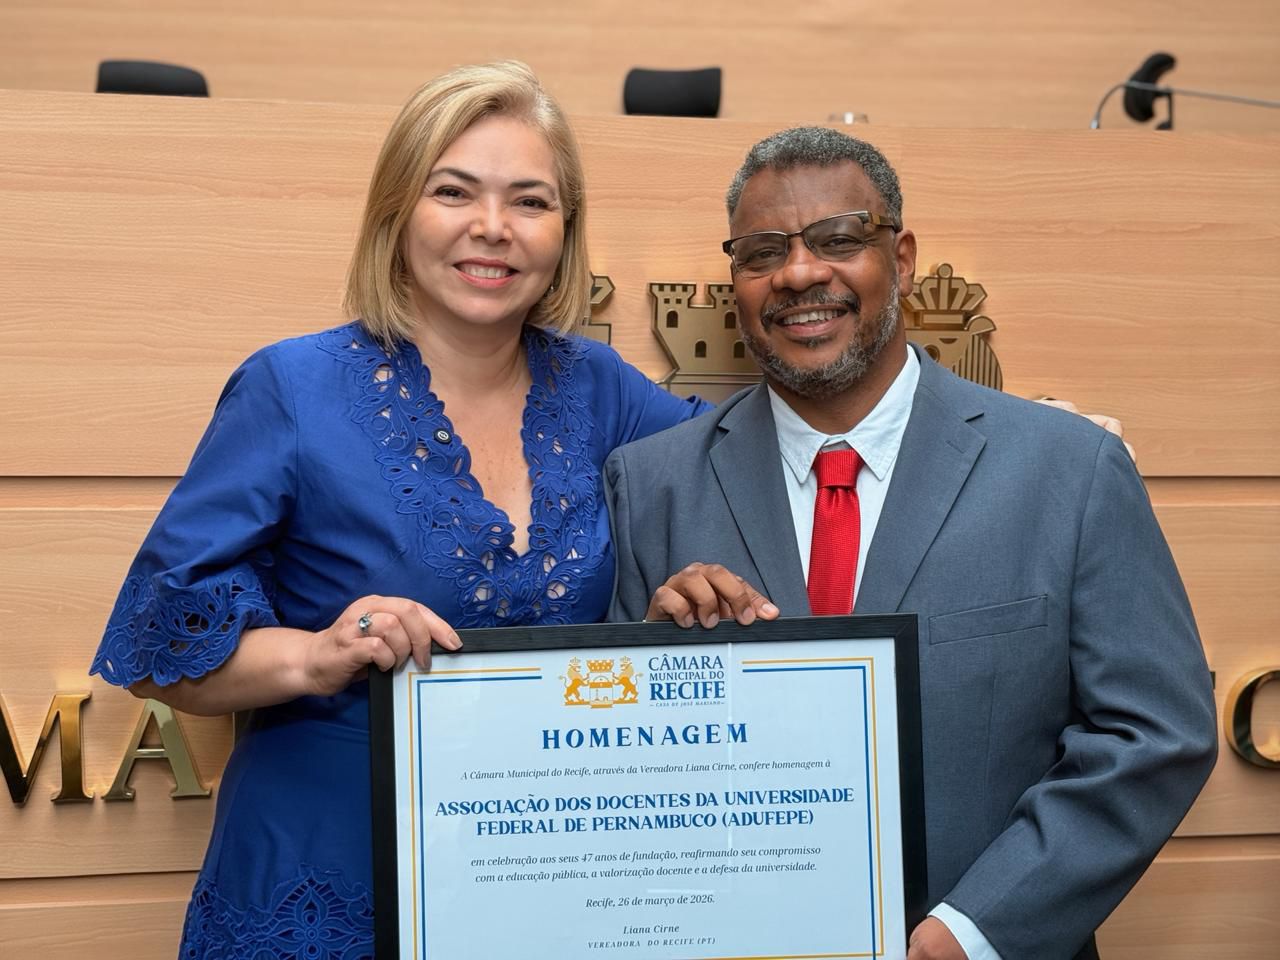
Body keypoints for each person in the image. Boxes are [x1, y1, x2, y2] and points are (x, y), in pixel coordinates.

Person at [88, 62, 708, 956]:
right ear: (396, 213)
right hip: (323, 881)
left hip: (545, 886)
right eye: (454, 191)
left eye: (530, 202)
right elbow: (161, 649)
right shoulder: (290, 389)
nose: (492, 228)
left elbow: (746, 469)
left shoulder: (604, 389)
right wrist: (317, 654)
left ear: (564, 234)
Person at [604, 127, 1217, 960]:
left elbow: (1154, 735)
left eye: (839, 240)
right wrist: (653, 668)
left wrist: (972, 932)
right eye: (761, 252)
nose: (799, 273)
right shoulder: (653, 486)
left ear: (903, 258)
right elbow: (618, 781)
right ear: (736, 282)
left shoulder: (1068, 470)